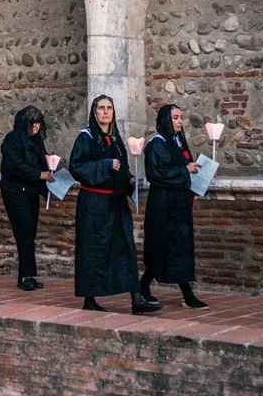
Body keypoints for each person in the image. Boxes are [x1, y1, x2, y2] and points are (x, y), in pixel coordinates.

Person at [70, 95, 156, 315]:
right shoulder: (86, 137)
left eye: (109, 108)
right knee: (92, 249)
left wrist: (130, 180)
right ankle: (89, 298)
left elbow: (122, 168)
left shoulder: (116, 139)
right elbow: (76, 167)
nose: (106, 112)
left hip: (116, 203)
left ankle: (136, 299)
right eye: (101, 108)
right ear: (94, 112)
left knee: (126, 247)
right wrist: (105, 164)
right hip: (94, 204)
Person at [141, 104, 206, 309]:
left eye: (180, 117)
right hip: (162, 205)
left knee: (179, 248)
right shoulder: (157, 143)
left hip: (178, 204)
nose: (179, 121)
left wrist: (199, 172)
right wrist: (185, 169)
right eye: (175, 117)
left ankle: (184, 293)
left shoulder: (177, 142)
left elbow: (183, 168)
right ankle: (143, 287)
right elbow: (155, 174)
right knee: (161, 247)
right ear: (165, 120)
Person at [0, 105, 52, 292]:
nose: (36, 126)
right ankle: (26, 277)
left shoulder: (37, 142)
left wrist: (50, 166)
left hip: (31, 192)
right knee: (24, 231)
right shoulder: (12, 140)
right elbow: (15, 166)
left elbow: (42, 161)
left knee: (30, 232)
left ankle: (26, 275)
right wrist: (39, 174)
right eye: (32, 122)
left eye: (38, 123)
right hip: (15, 191)